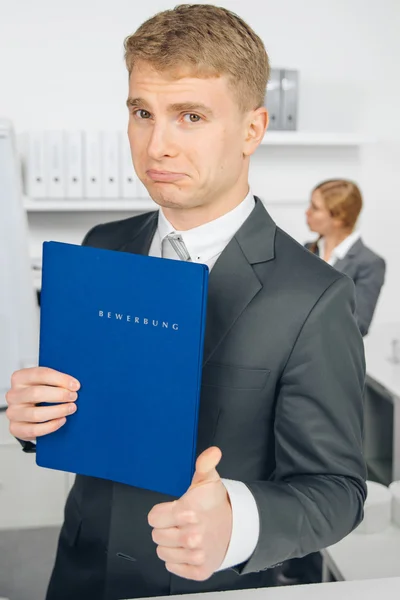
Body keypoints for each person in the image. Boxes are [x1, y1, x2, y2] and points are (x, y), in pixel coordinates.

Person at [5, 5, 367, 600]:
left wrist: (239, 519)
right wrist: (35, 419)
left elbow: (337, 490)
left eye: (190, 116)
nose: (158, 144)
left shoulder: (315, 296)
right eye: (141, 113)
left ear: (253, 129)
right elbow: (85, 412)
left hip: (211, 587)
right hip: (79, 573)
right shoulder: (104, 245)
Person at [305, 179, 386, 336]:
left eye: (315, 208)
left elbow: (359, 324)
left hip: (333, 356)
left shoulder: (369, 263)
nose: (307, 212)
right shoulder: (306, 249)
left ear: (338, 218)